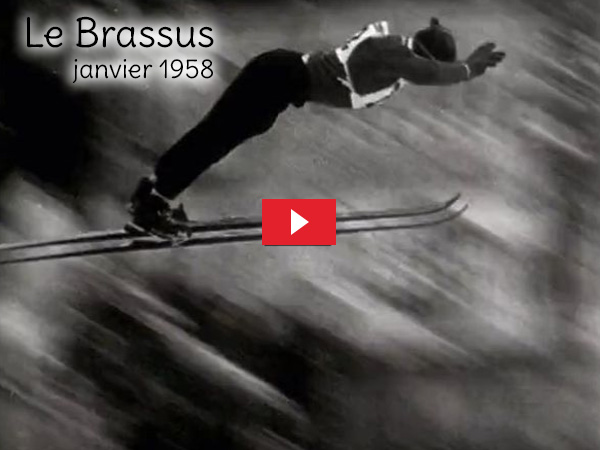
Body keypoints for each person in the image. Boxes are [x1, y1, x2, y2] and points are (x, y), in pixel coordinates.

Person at [127, 17, 505, 237]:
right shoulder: (394, 53)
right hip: (280, 76)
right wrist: (468, 68)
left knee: (218, 137)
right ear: (425, 55)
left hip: (282, 84)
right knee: (216, 138)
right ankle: (153, 201)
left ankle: (156, 192)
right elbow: (429, 73)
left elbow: (425, 72)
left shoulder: (394, 63)